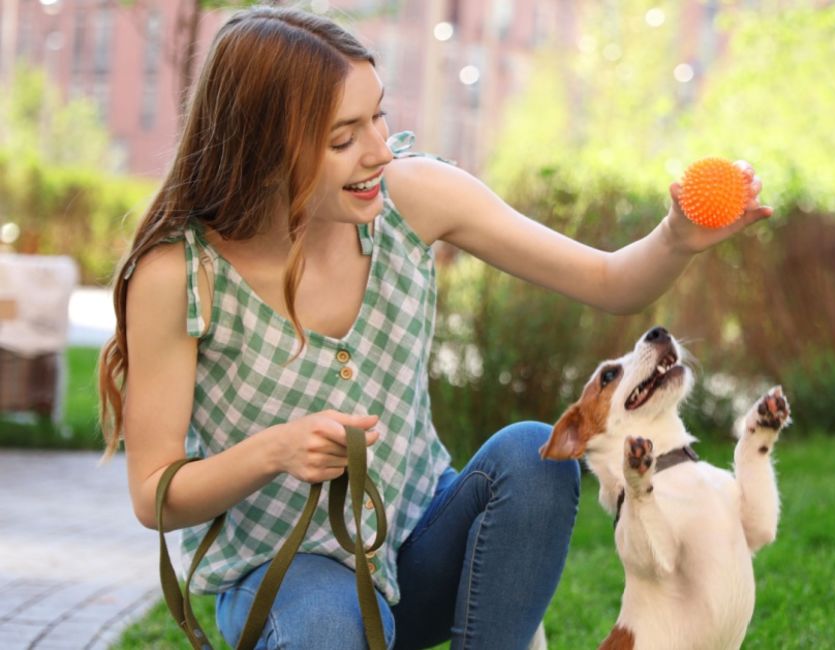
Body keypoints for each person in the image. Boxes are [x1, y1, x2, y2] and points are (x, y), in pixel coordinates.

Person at [97, 6, 773, 650]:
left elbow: (610, 282)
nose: (378, 151)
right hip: (290, 580)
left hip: (422, 547)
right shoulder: (180, 275)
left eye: (378, 117)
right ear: (265, 148)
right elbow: (155, 494)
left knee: (531, 458)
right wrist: (272, 452)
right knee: (330, 626)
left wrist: (677, 239)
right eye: (343, 137)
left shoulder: (411, 199)